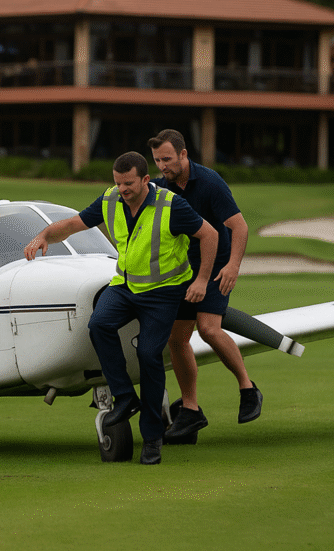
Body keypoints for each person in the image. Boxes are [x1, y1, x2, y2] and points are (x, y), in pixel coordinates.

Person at [24, 151, 217, 465]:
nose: (122, 189)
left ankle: (152, 438)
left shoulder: (172, 206)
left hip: (163, 292)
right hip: (126, 286)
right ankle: (125, 398)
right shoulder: (111, 200)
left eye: (128, 183)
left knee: (149, 356)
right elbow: (74, 224)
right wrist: (46, 234)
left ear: (144, 179)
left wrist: (202, 280)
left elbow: (209, 234)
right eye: (117, 183)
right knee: (99, 325)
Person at [148, 129, 262, 441]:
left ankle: (248, 389)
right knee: (176, 339)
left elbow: (239, 226)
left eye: (168, 159)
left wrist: (233, 266)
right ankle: (190, 410)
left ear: (184, 155)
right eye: (158, 161)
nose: (163, 166)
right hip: (181, 271)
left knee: (209, 329)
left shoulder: (210, 182)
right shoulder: (160, 187)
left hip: (215, 269)